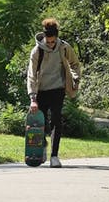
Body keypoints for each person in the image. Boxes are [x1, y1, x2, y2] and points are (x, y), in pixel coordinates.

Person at [27, 18, 81, 168]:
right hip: (41, 90)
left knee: (56, 120)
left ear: (56, 37)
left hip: (58, 89)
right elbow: (31, 75)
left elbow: (75, 64)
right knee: (40, 123)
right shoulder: (36, 51)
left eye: (52, 41)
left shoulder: (64, 48)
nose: (50, 44)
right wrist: (32, 98)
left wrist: (75, 78)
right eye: (48, 41)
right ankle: (42, 147)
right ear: (44, 37)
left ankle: (54, 156)